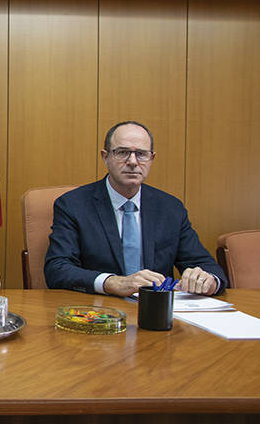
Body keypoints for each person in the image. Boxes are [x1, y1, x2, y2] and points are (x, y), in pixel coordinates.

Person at [44, 121, 228, 296]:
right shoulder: (73, 205)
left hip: (156, 313)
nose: (133, 161)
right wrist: (114, 283)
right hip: (99, 312)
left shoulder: (170, 208)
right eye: (122, 152)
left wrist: (208, 280)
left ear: (151, 158)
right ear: (105, 157)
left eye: (141, 154)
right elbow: (57, 269)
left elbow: (207, 266)